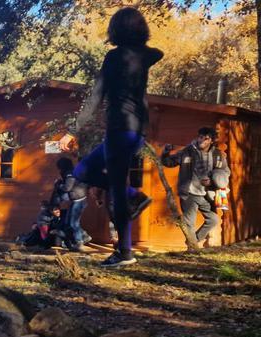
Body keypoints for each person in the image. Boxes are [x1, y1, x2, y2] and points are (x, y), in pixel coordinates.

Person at [59, 7, 162, 267]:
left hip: (118, 129)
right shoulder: (145, 55)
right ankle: (132, 195)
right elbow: (157, 52)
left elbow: (96, 96)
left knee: (113, 189)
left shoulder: (114, 58)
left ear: (116, 30)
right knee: (83, 170)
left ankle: (125, 252)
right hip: (136, 131)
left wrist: (73, 129)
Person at [162, 127, 231, 247]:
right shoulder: (187, 151)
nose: (202, 140)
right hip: (189, 193)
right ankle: (192, 248)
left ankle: (193, 241)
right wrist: (165, 152)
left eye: (206, 138)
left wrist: (212, 182)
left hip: (207, 195)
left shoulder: (217, 155)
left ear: (211, 141)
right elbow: (169, 162)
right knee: (189, 223)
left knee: (213, 220)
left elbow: (225, 171)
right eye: (200, 137)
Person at [53, 158, 91, 251]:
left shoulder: (70, 174)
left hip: (79, 200)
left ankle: (79, 242)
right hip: (77, 199)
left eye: (60, 167)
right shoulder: (72, 172)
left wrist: (58, 184)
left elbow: (67, 188)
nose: (59, 169)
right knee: (69, 222)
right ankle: (84, 236)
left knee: (73, 223)